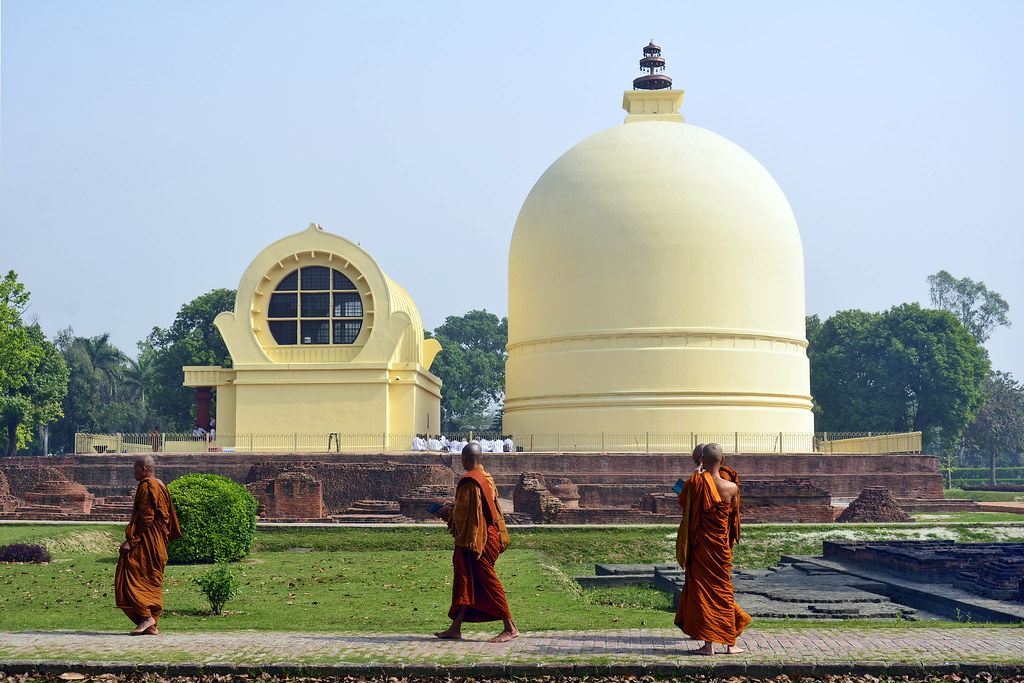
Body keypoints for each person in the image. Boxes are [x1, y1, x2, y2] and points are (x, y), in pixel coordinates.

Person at [433, 443, 518, 643]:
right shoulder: (486, 478)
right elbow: (477, 507)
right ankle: (455, 628)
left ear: (463, 459)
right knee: (467, 580)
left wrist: (448, 512)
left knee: (488, 580)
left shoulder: (469, 481)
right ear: (481, 459)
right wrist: (454, 505)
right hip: (491, 534)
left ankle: (511, 627)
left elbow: (465, 516)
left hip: (478, 540)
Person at [675, 443, 750, 655]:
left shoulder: (697, 482)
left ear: (702, 461)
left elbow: (683, 502)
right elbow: (732, 513)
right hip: (721, 547)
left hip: (701, 547)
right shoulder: (732, 487)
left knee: (704, 593)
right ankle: (731, 645)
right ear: (723, 460)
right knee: (723, 592)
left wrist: (695, 476)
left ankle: (708, 646)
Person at [115, 455, 181, 636]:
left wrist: (132, 540)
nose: (133, 472)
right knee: (152, 579)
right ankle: (152, 625)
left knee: (133, 575)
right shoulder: (160, 485)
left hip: (146, 541)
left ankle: (146, 616)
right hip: (158, 543)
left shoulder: (148, 486)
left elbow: (147, 517)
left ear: (144, 469)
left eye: (135, 468)